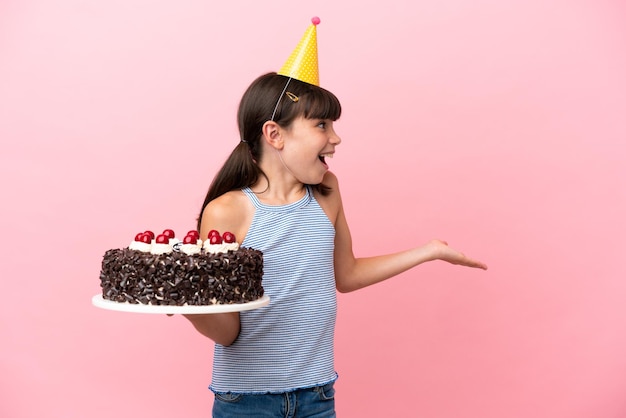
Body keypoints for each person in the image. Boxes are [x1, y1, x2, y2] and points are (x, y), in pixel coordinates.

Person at [183, 18, 487, 418]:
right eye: (322, 125)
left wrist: (427, 251)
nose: (336, 138)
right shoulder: (227, 211)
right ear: (275, 135)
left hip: (317, 396)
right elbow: (228, 332)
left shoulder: (327, 193)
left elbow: (346, 275)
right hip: (247, 401)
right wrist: (192, 305)